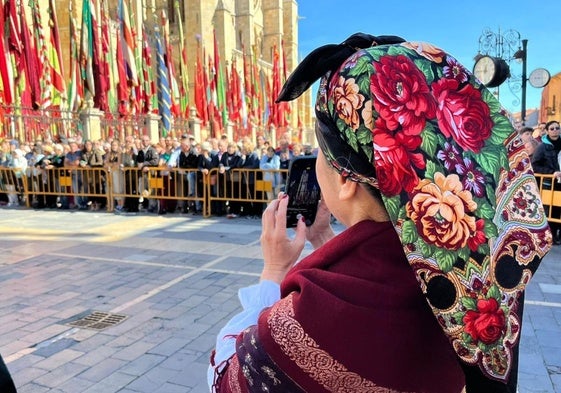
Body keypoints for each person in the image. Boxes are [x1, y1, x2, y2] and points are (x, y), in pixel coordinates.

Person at [208, 33, 553, 393]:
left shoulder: (319, 315)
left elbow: (225, 377)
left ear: (345, 179)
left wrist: (273, 271)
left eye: (320, 154)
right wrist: (325, 241)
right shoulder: (478, 267)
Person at [531, 120, 561, 244]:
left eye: (557, 128)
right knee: (551, 211)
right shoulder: (542, 147)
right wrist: (551, 173)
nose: (555, 130)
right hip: (549, 183)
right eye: (552, 128)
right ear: (547, 131)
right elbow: (535, 165)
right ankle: (552, 235)